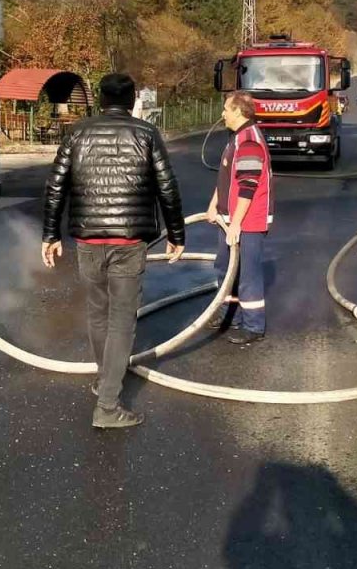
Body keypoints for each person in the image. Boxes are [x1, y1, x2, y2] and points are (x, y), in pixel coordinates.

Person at [42, 72, 186, 430]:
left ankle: (103, 380)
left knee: (97, 313)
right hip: (129, 240)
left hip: (88, 239)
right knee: (122, 319)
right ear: (132, 98)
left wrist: (50, 234)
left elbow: (56, 185)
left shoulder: (77, 132)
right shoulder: (146, 134)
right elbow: (166, 187)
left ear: (101, 100)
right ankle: (108, 404)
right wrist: (177, 233)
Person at [205, 91, 274, 346]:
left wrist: (237, 223)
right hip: (229, 219)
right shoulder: (236, 138)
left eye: (226, 109)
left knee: (248, 274)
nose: (222, 114)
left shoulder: (249, 142)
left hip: (247, 222)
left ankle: (253, 325)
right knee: (224, 268)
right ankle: (228, 315)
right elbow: (226, 177)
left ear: (238, 111)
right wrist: (214, 205)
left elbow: (248, 186)